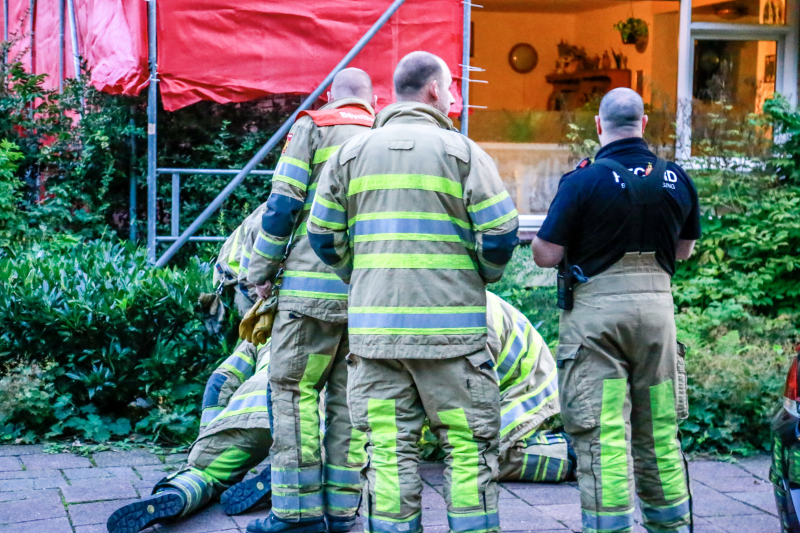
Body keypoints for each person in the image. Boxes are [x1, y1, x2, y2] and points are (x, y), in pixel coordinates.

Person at [307, 52, 518, 533]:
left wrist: (354, 275)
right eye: (451, 89)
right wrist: (482, 274)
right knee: (466, 450)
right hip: (453, 341)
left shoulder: (350, 154)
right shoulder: (463, 152)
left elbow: (321, 235)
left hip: (376, 336)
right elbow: (503, 234)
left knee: (387, 451)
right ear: (434, 91)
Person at [531, 87, 700, 533]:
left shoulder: (583, 181)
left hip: (597, 324)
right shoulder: (677, 178)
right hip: (658, 322)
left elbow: (546, 254)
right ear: (643, 125)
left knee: (604, 437)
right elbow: (684, 251)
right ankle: (672, 526)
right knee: (660, 432)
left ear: (599, 126)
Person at [246, 68, 378, 533]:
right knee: (350, 404)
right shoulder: (384, 137)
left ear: (330, 96)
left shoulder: (312, 128)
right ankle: (342, 513)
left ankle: (298, 515)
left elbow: (282, 206)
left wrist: (259, 272)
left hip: (308, 296)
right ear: (373, 101)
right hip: (368, 299)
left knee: (292, 393)